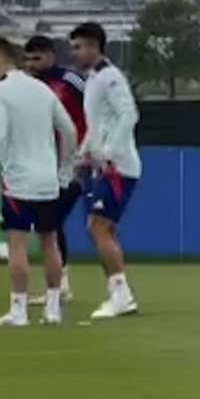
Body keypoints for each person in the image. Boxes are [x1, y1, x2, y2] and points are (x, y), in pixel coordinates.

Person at [0, 39, 78, 328]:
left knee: (17, 243)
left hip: (18, 181)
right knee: (50, 241)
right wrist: (65, 167)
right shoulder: (42, 89)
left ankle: (19, 311)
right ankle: (53, 308)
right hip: (48, 180)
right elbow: (69, 130)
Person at [69, 22, 143, 320]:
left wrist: (110, 153)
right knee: (103, 229)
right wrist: (83, 154)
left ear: (94, 47)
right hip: (103, 166)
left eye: (78, 47)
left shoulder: (110, 77)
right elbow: (98, 123)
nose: (74, 53)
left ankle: (121, 295)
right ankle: (119, 294)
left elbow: (129, 114)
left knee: (97, 227)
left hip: (117, 168)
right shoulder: (94, 79)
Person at [24, 35, 89, 301]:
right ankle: (60, 283)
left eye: (37, 58)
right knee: (49, 224)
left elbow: (96, 107)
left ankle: (62, 284)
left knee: (52, 222)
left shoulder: (70, 81)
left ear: (51, 56)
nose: (32, 64)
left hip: (75, 162)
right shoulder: (29, 85)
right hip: (44, 164)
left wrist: (88, 149)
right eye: (28, 59)